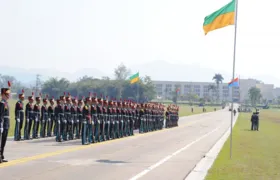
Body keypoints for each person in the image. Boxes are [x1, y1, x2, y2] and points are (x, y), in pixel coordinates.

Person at [0, 81, 11, 163]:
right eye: (7, 94)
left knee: (3, 141)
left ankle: (2, 156)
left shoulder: (6, 103)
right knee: (0, 141)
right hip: (3, 124)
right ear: (3, 94)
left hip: (6, 124)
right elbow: (1, 115)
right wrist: (1, 125)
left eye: (8, 94)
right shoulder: (2, 103)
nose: (8, 96)